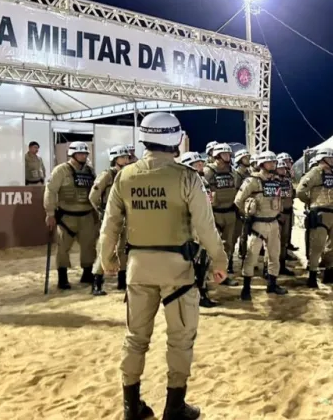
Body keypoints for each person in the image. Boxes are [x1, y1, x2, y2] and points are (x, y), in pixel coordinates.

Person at [100, 112, 227, 420]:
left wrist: (107, 257)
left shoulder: (125, 176)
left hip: (138, 269)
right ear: (175, 139)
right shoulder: (187, 177)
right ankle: (174, 407)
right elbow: (205, 226)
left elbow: (110, 223)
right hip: (177, 272)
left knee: (135, 338)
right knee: (180, 340)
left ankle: (131, 405)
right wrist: (220, 260)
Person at [44, 141, 98, 289]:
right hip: (66, 217)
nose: (83, 156)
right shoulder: (61, 170)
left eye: (85, 153)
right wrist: (50, 213)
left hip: (86, 215)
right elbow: (50, 191)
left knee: (88, 246)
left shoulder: (90, 171)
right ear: (72, 154)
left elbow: (95, 193)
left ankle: (87, 274)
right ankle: (63, 278)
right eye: (80, 153)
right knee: (63, 248)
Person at [235, 151, 289, 300]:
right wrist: (246, 216)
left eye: (274, 162)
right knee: (251, 257)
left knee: (274, 256)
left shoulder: (276, 181)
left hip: (273, 222)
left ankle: (272, 284)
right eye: (269, 162)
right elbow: (238, 200)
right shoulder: (252, 181)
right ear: (261, 164)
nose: (273, 165)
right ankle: (246, 288)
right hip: (258, 224)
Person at [296, 149, 333, 287]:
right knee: (317, 246)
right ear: (324, 159)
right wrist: (311, 202)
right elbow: (300, 191)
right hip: (321, 214)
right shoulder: (315, 173)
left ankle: (329, 273)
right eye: (331, 159)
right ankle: (312, 276)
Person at [90, 145, 132, 296]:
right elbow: (93, 196)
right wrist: (102, 211)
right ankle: (96, 282)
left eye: (127, 157)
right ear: (114, 159)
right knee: (105, 249)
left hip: (127, 215)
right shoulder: (107, 175)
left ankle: (122, 280)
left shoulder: (129, 174)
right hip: (111, 216)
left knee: (123, 249)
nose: (126, 160)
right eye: (122, 157)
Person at [181, 151, 220, 308]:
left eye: (200, 163)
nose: (200, 165)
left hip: (203, 224)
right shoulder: (183, 182)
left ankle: (202, 292)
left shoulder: (202, 181)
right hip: (190, 227)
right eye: (196, 164)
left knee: (204, 260)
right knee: (190, 261)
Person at [203, 143, 240, 287]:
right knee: (209, 247)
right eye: (225, 154)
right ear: (217, 156)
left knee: (227, 247)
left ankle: (222, 276)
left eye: (229, 154)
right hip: (214, 214)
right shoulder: (208, 171)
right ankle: (203, 277)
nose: (228, 157)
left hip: (229, 212)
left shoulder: (232, 172)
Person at [275, 158, 297, 275]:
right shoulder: (272, 182)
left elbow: (292, 195)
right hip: (277, 215)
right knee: (274, 242)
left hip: (287, 213)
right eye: (280, 169)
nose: (282, 171)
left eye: (284, 169)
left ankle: (282, 265)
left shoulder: (288, 182)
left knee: (284, 241)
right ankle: (269, 268)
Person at [232, 149, 253, 268]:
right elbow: (236, 192)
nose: (248, 160)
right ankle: (241, 255)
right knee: (241, 235)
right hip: (240, 208)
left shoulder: (248, 173)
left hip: (248, 207)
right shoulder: (237, 174)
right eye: (246, 158)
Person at [276, 152, 299, 254]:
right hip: (278, 212)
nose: (284, 170)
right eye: (281, 168)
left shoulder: (288, 180)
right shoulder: (273, 180)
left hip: (288, 209)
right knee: (276, 237)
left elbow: (293, 192)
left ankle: (283, 256)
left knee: (285, 236)